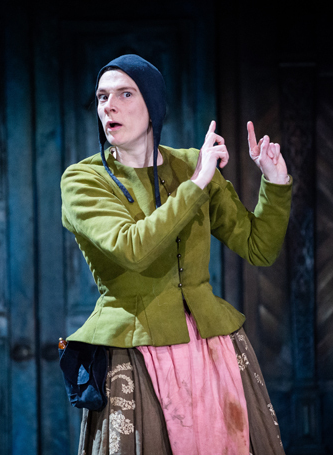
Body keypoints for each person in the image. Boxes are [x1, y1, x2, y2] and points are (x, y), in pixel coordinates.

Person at [60, 54, 291, 455]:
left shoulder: (191, 165)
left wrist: (275, 182)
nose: (108, 106)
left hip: (211, 347)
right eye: (101, 97)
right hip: (135, 348)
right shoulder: (84, 180)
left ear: (153, 104)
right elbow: (133, 249)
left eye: (125, 94)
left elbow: (259, 247)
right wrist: (199, 182)